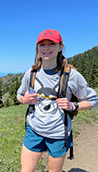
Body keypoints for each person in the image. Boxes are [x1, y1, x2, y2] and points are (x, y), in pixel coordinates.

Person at [17, 29, 98, 172]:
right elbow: (19, 95)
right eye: (42, 45)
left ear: (60, 47)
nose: (46, 48)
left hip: (58, 135)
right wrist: (25, 99)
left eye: (51, 44)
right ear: (37, 48)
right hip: (34, 131)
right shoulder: (31, 73)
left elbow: (93, 100)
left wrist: (73, 106)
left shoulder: (71, 75)